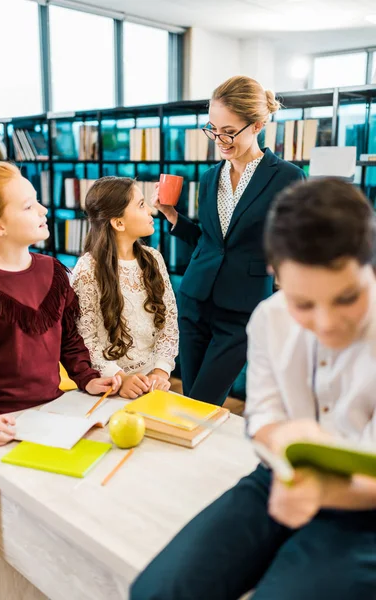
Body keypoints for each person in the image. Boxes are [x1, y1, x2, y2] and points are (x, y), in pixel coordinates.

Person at [131, 178, 376, 600]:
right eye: (303, 303)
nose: (327, 323)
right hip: (278, 476)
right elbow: (261, 414)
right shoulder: (268, 317)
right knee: (156, 592)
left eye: (346, 298)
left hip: (368, 507)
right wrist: (284, 445)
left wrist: (322, 488)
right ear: (274, 272)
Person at [153, 75, 305, 406]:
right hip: (194, 302)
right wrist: (172, 216)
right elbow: (211, 243)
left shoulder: (288, 178)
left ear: (258, 124)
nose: (219, 139)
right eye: (212, 129)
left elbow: (296, 246)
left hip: (242, 309)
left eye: (229, 131)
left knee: (204, 402)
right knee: (190, 400)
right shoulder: (209, 179)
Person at [0, 162, 121, 448]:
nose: (43, 210)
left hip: (56, 412)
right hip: (2, 424)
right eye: (29, 206)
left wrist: (87, 378)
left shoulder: (53, 271)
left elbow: (69, 340)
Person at [71, 177, 178, 400]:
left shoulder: (154, 259)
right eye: (141, 205)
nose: (150, 210)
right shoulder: (88, 269)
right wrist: (120, 378)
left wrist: (160, 370)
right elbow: (85, 338)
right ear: (118, 223)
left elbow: (169, 323)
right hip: (109, 385)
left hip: (153, 384)